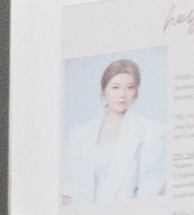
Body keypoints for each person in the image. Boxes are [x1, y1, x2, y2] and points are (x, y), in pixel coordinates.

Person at [63, 56, 168, 204]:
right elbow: (67, 189)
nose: (122, 94)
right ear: (104, 90)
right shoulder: (79, 135)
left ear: (136, 91)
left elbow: (151, 188)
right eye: (115, 87)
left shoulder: (153, 132)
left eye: (130, 87)